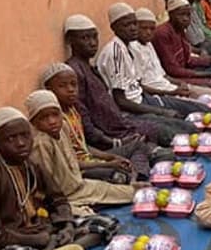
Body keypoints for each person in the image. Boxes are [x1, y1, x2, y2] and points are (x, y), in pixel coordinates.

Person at [0, 108, 118, 250]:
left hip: (46, 228)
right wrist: (35, 240)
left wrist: (68, 226)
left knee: (108, 222)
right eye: (11, 139)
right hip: (15, 240)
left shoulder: (32, 165)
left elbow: (58, 199)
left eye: (25, 135)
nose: (21, 143)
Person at [62, 13, 178, 149]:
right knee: (167, 133)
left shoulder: (90, 67)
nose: (92, 43)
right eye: (85, 38)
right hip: (114, 133)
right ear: (70, 40)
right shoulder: (74, 71)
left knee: (172, 125)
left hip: (122, 123)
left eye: (94, 37)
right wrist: (111, 141)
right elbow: (83, 116)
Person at [41, 61, 154, 182]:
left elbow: (83, 146)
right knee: (118, 173)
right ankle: (132, 178)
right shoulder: (54, 121)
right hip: (80, 170)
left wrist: (110, 156)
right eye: (62, 86)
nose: (70, 90)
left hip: (91, 159)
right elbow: (70, 164)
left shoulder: (73, 110)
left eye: (74, 84)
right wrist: (108, 164)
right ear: (49, 89)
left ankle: (137, 177)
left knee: (139, 145)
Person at [25, 90, 134, 215]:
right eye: (44, 118)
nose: (52, 121)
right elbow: (48, 185)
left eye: (55, 115)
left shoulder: (63, 128)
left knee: (133, 192)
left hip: (80, 186)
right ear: (34, 122)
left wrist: (109, 163)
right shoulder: (41, 144)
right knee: (94, 220)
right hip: (65, 198)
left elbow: (74, 163)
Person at [129, 8, 209, 115]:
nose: (148, 32)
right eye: (144, 28)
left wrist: (180, 83)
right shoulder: (133, 49)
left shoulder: (148, 45)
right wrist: (172, 92)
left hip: (169, 86)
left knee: (208, 95)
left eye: (152, 29)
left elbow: (163, 75)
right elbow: (141, 87)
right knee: (202, 107)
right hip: (159, 94)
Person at [152, 0, 211, 83]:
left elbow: (188, 60)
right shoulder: (163, 33)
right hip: (173, 78)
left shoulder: (180, 29)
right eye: (181, 15)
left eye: (188, 15)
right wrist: (206, 74)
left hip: (185, 70)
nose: (185, 19)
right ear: (171, 15)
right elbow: (172, 70)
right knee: (210, 82)